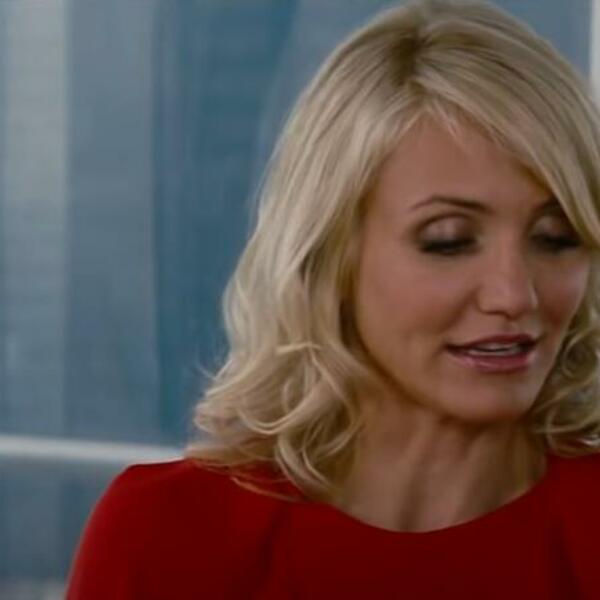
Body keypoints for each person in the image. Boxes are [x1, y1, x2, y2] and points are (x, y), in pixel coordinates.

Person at [67, 0, 600, 598]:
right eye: (448, 241)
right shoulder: (164, 537)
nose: (515, 294)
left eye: (556, 239)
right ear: (332, 255)